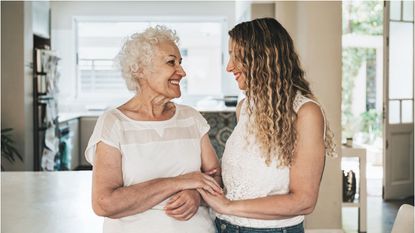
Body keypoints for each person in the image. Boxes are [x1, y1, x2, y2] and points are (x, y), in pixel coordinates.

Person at [198, 18, 337, 233]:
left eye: (237, 56)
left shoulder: (305, 112)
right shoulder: (244, 107)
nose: (229, 66)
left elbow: (304, 200)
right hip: (222, 225)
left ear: (263, 58)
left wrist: (227, 206)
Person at [85, 25, 222, 233]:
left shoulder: (191, 118)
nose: (182, 72)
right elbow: (104, 203)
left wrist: (197, 194)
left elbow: (215, 178)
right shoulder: (114, 123)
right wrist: (179, 182)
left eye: (180, 63)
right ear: (140, 70)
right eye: (171, 62)